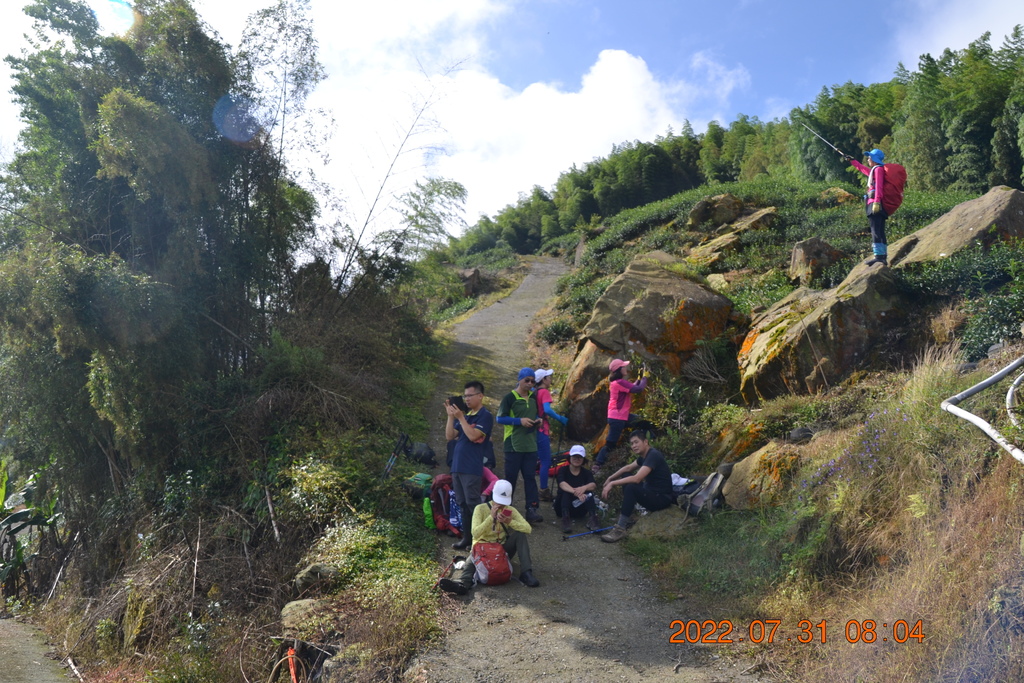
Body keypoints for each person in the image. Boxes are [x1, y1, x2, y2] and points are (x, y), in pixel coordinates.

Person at [438, 479, 540, 594]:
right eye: (499, 501)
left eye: (503, 502)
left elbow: (528, 529)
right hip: (481, 548)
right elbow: (475, 533)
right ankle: (462, 584)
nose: (501, 504)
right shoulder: (480, 509)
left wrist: (510, 522)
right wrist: (490, 517)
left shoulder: (510, 510)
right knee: (472, 558)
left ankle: (526, 572)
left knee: (520, 535)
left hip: (501, 550)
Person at [599, 429, 674, 543]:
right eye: (632, 443)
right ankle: (628, 516)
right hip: (651, 492)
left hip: (662, 498)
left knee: (631, 487)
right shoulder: (644, 456)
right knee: (626, 475)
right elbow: (628, 468)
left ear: (645, 442)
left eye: (636, 442)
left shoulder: (653, 455)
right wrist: (610, 478)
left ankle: (620, 529)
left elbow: (637, 478)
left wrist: (613, 484)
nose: (634, 446)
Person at [445, 381, 493, 551]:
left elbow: (473, 436)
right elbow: (450, 436)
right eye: (465, 396)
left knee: (474, 505)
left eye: (470, 395)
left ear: (480, 396)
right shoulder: (467, 416)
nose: (466, 399)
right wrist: (451, 416)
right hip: (457, 467)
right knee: (462, 504)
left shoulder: (484, 415)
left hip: (471, 468)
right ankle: (467, 538)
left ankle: (480, 540)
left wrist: (460, 418)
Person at [496, 368, 543, 523]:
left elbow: (536, 413)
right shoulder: (510, 397)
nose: (529, 384)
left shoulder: (533, 397)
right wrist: (519, 421)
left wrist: (538, 420)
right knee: (511, 479)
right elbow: (500, 419)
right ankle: (503, 509)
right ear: (519, 380)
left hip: (530, 445)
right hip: (513, 444)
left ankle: (531, 509)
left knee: (530, 477)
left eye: (532, 381)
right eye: (527, 380)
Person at [593, 359, 648, 476]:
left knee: (643, 422)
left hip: (621, 416)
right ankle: (597, 465)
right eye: (623, 367)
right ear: (619, 370)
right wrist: (645, 378)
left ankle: (646, 445)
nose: (625, 368)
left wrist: (639, 378)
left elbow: (632, 387)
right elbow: (638, 389)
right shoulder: (619, 382)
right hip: (618, 418)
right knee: (611, 443)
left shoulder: (618, 382)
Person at [845, 148, 889, 267]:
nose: (868, 159)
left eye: (869, 157)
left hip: (875, 204)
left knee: (876, 231)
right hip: (875, 203)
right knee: (878, 230)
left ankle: (879, 257)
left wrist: (876, 202)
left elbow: (879, 187)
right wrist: (853, 161)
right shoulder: (875, 169)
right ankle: (882, 256)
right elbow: (864, 170)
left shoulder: (878, 170)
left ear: (875, 159)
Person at [533, 368, 568, 502]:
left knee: (537, 459)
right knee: (545, 461)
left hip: (534, 429)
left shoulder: (534, 392)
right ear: (543, 380)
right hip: (542, 429)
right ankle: (543, 490)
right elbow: (547, 409)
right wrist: (560, 418)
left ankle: (538, 489)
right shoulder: (545, 392)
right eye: (548, 377)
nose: (550, 379)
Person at [555, 445, 599, 534]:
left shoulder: (586, 473)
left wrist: (584, 488)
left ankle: (593, 519)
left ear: (583, 459)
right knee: (566, 492)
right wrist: (576, 492)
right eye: (574, 456)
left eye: (580, 457)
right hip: (561, 506)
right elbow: (562, 484)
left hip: (580, 508)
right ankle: (565, 520)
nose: (577, 459)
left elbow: (593, 485)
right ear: (570, 457)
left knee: (589, 493)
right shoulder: (563, 470)